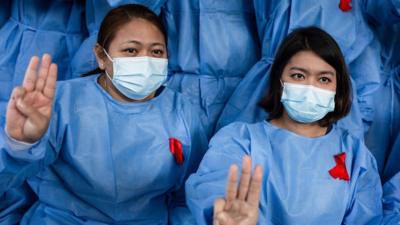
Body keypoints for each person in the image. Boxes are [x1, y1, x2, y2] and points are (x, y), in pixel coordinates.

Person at [0, 4, 207, 224]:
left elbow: (189, 195)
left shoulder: (183, 112)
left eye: (156, 51)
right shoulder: (61, 102)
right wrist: (20, 144)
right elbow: (8, 180)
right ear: (101, 56)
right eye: (131, 50)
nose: (145, 61)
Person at [186, 27, 382, 225]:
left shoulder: (357, 155)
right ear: (279, 80)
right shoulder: (239, 140)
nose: (310, 88)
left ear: (338, 87)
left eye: (324, 79)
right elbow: (213, 187)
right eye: (298, 76)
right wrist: (227, 215)